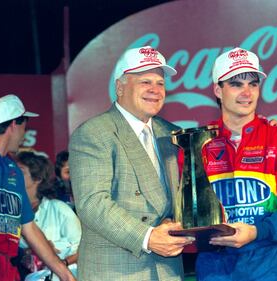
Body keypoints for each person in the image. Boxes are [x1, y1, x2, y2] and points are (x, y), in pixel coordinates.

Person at [69, 46, 194, 281]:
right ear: (120, 87)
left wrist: (178, 221)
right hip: (115, 271)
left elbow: (179, 198)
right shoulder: (94, 132)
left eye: (160, 83)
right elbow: (92, 203)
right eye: (145, 81)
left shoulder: (172, 133)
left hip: (168, 270)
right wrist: (148, 237)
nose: (155, 90)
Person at [195, 47, 277, 281]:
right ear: (217, 90)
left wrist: (258, 232)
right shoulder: (199, 142)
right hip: (214, 267)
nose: (247, 92)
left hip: (267, 264)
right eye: (236, 84)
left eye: (253, 83)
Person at [0, 94, 75, 281]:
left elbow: (28, 227)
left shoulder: (12, 168)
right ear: (15, 124)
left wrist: (65, 274)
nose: (24, 133)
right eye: (25, 126)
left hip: (6, 265)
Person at [15, 151, 81, 280]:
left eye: (20, 171)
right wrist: (29, 252)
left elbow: (83, 248)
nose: (12, 175)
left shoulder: (58, 208)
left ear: (37, 178)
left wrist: (57, 261)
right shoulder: (7, 210)